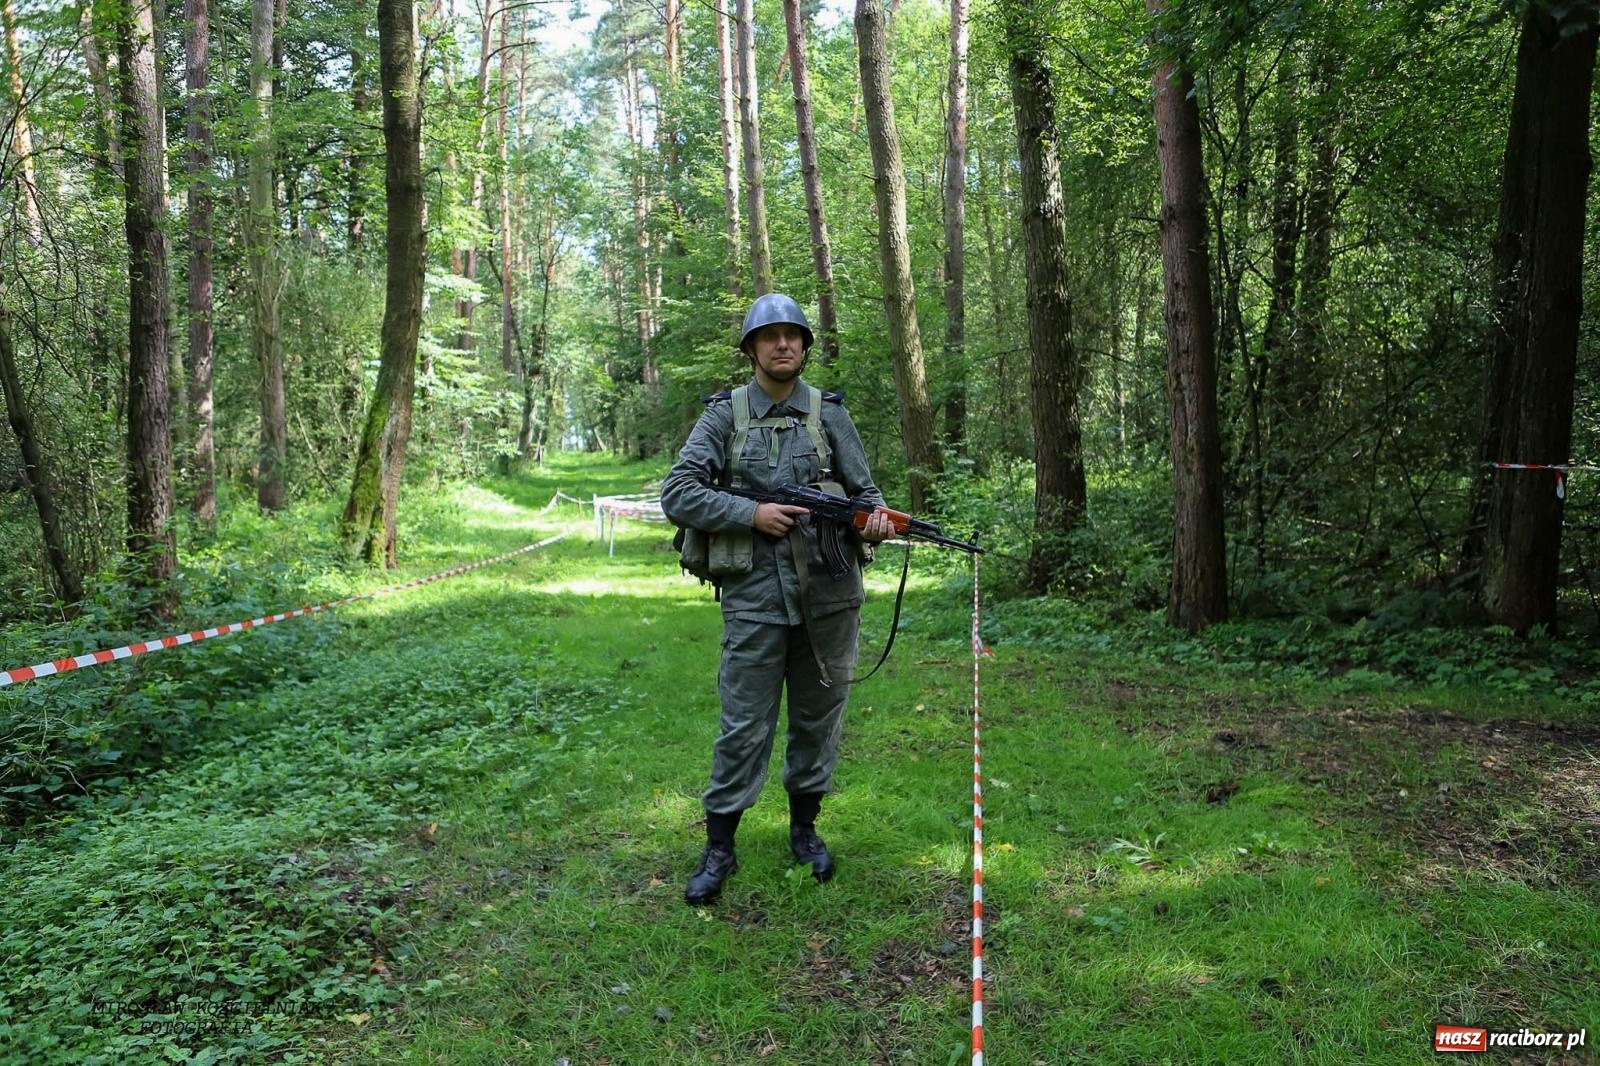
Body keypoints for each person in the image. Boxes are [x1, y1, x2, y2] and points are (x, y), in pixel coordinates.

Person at [660, 293, 893, 905]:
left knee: (818, 721)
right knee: (743, 726)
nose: (783, 344)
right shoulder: (724, 417)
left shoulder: (830, 415)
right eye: (770, 337)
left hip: (831, 597)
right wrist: (749, 512)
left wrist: (870, 520)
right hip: (756, 600)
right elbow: (678, 493)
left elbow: (866, 492)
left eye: (793, 336)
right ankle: (720, 846)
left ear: (804, 347)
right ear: (752, 350)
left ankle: (805, 831)